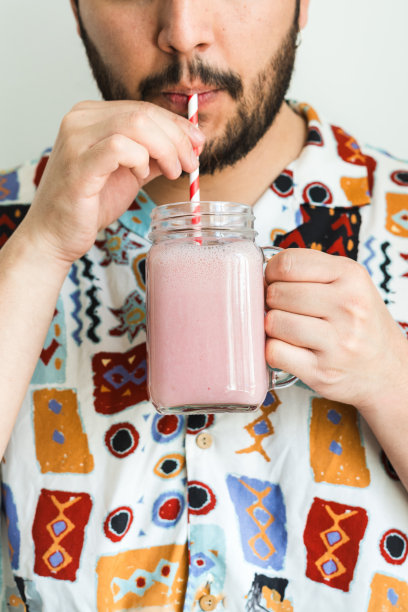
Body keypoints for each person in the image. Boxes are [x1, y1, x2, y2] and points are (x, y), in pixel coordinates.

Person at [1, 0, 407, 609]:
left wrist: (391, 380)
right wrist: (37, 252)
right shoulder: (17, 233)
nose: (184, 33)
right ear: (78, 10)